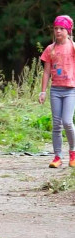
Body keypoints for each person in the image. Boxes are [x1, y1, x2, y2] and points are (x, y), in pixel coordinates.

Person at [39, 15, 75, 168]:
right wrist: (43, 91)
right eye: (56, 28)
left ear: (68, 30)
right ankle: (57, 157)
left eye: (61, 28)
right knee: (56, 124)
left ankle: (73, 152)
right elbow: (46, 72)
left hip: (70, 90)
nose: (58, 31)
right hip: (55, 90)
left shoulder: (73, 47)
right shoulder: (50, 49)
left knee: (67, 121)